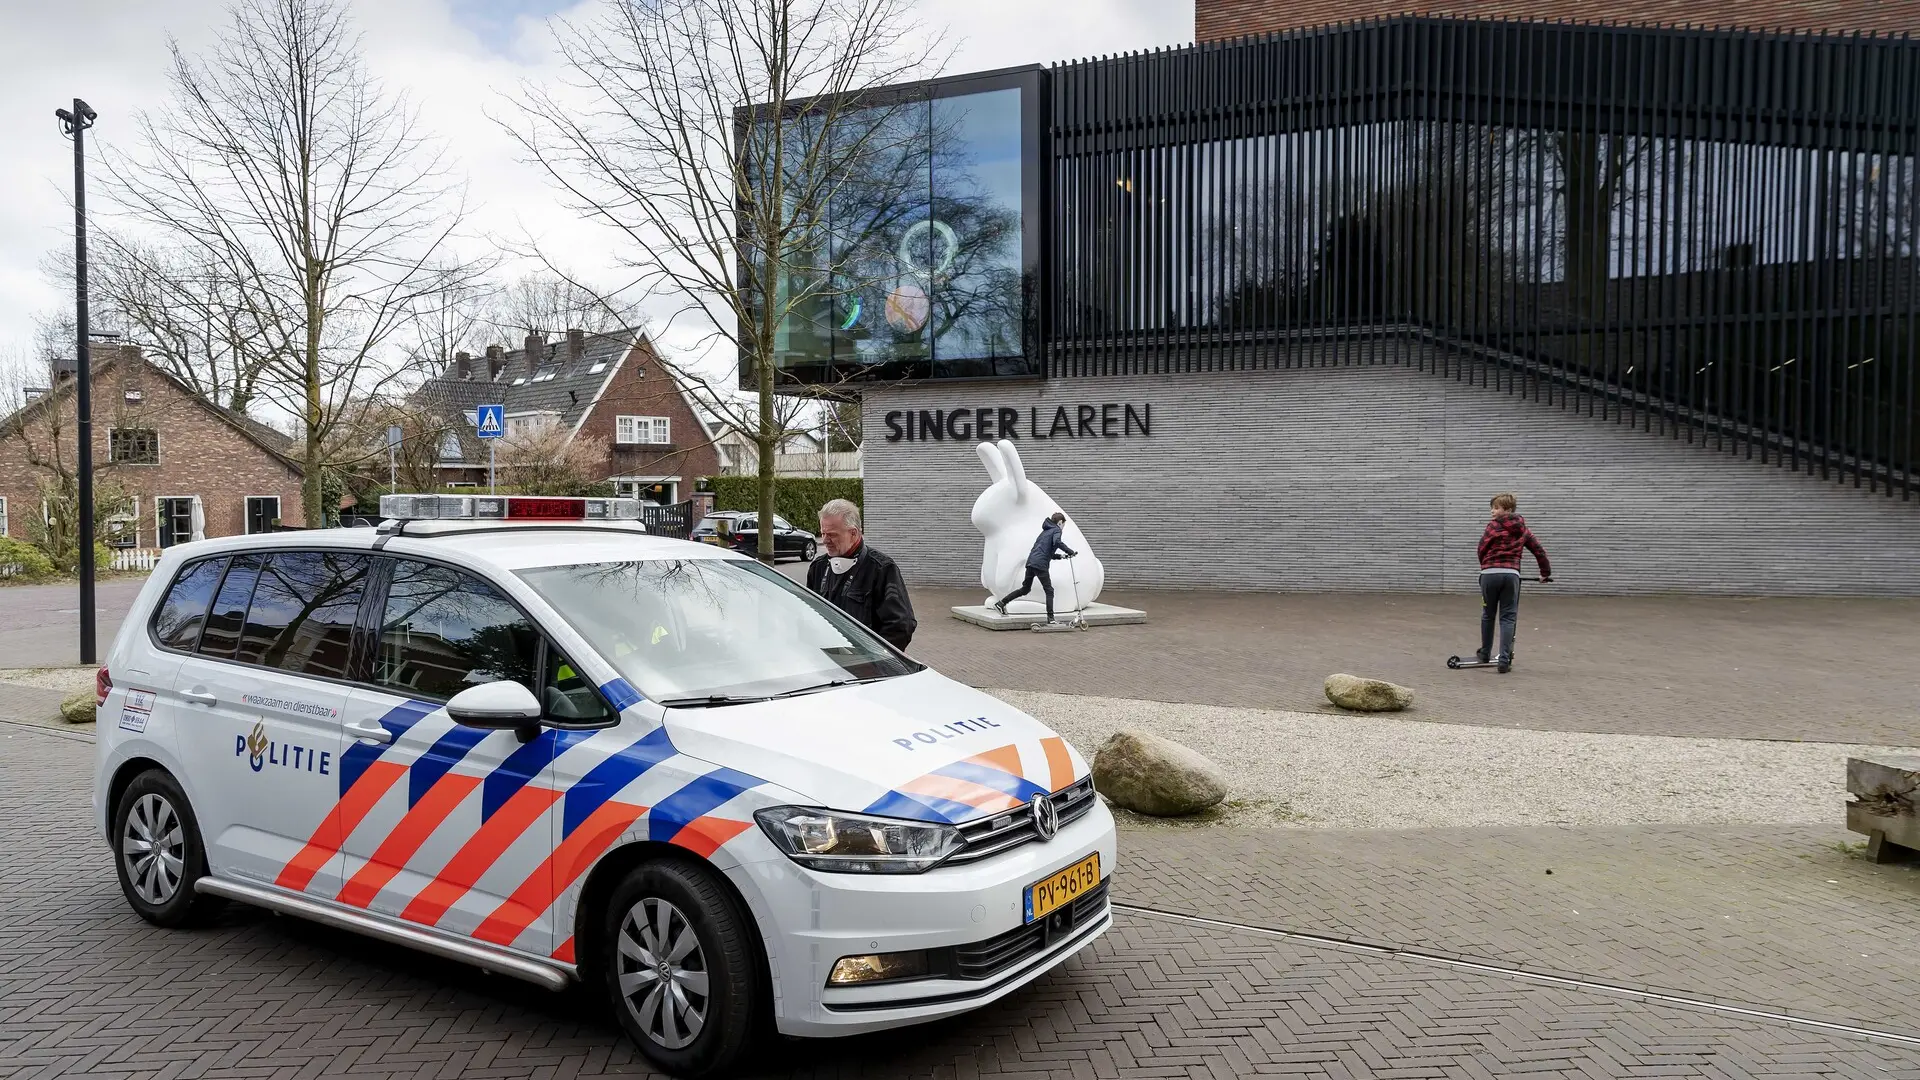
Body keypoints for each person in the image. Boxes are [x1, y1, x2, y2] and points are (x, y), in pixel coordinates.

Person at [807, 499, 917, 651]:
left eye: (832, 535)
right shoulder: (818, 568)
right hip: (826, 664)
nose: (825, 541)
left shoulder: (882, 569)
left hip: (866, 667)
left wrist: (874, 660)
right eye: (822, 533)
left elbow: (900, 626)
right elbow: (808, 616)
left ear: (853, 533)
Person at [1476, 492, 1552, 674]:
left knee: (1488, 614)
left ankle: (1485, 653)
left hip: (1489, 574)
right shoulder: (1523, 530)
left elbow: (1481, 548)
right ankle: (1504, 659)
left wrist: (1486, 566)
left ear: (1507, 510)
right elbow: (1539, 551)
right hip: (1511, 575)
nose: (1492, 511)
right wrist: (1545, 573)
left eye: (1496, 507)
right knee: (1508, 617)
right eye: (1492, 507)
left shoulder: (1492, 527)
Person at [993, 512, 1079, 625]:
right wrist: (1070, 551)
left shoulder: (1044, 532)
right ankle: (1051, 619)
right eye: (1063, 525)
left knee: (1025, 589)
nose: (1063, 527)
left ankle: (1001, 603)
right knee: (1049, 591)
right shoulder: (1057, 530)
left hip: (1031, 563)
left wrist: (1062, 556)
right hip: (1040, 565)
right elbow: (1057, 542)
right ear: (1059, 523)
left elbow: (1045, 552)